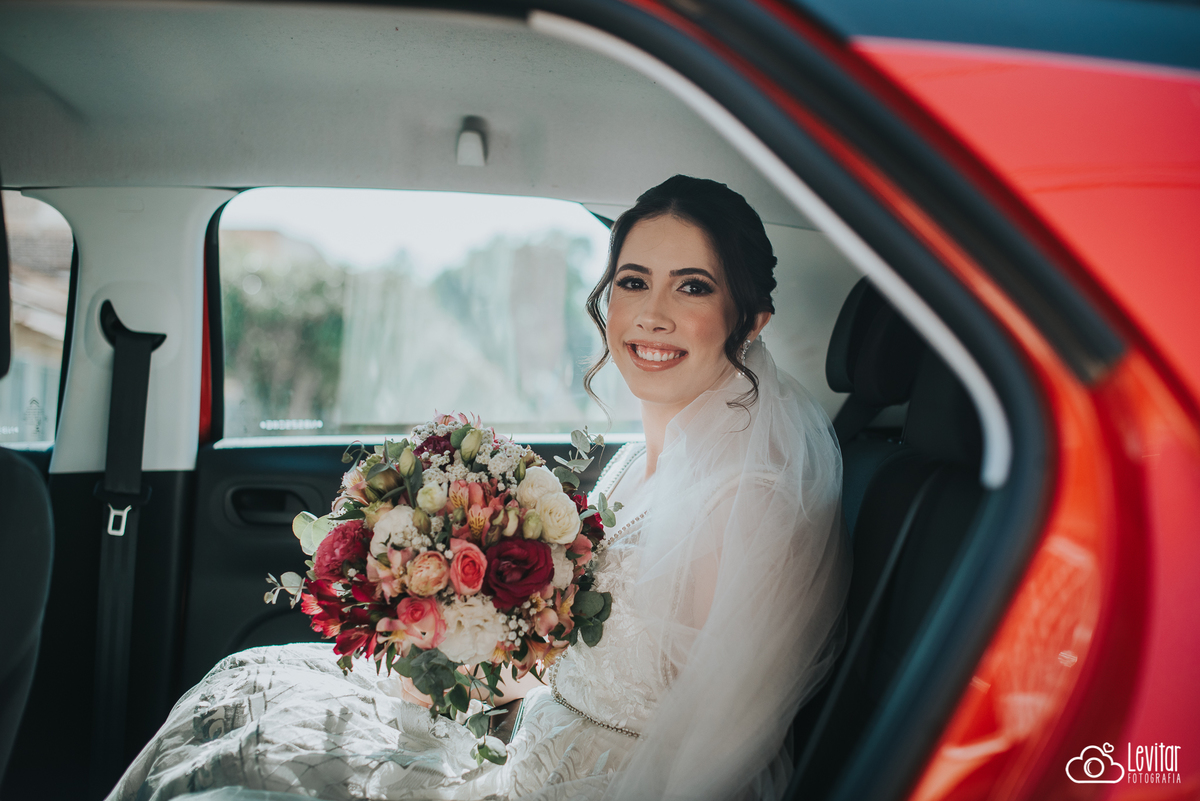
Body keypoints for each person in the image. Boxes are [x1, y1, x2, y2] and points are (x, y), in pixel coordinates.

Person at [106, 175, 850, 801]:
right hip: (534, 748)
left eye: (692, 285)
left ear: (748, 320)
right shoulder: (631, 461)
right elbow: (603, 660)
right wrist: (477, 672)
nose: (652, 312)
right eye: (633, 281)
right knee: (243, 689)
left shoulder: (751, 499)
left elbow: (710, 753)